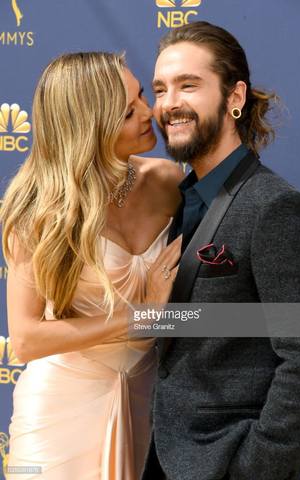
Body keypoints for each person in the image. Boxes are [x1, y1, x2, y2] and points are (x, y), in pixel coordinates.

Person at [142, 21, 300, 480]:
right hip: (157, 456)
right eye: (160, 89)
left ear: (235, 97)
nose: (169, 104)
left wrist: (257, 466)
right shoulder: (177, 203)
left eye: (189, 85)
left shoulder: (274, 207)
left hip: (227, 462)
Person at [0, 52, 184, 480]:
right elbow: (26, 340)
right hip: (60, 415)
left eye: (141, 96)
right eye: (127, 112)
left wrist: (291, 320)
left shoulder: (169, 180)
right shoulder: (37, 210)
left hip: (148, 400)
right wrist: (140, 318)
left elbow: (188, 312)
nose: (147, 113)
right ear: (90, 128)